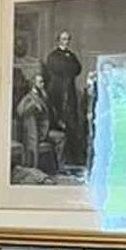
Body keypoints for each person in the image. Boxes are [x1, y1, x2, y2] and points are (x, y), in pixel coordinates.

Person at [44, 29, 84, 165]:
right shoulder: (53, 56)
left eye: (68, 39)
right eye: (64, 39)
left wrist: (68, 68)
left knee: (72, 122)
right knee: (59, 120)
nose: (66, 42)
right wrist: (68, 68)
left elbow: (78, 68)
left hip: (70, 91)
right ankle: (60, 161)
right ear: (59, 41)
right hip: (57, 91)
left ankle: (73, 159)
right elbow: (58, 69)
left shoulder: (71, 55)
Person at [15, 73, 52, 172]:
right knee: (32, 144)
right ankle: (34, 169)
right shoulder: (29, 97)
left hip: (43, 130)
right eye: (40, 82)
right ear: (33, 84)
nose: (43, 84)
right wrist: (32, 105)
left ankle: (56, 169)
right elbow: (19, 111)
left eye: (43, 82)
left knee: (60, 138)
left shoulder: (43, 96)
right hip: (33, 132)